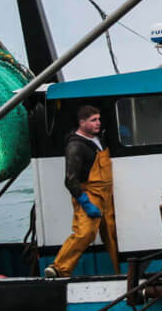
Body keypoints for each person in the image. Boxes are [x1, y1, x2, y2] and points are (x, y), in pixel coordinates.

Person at [47, 104, 118, 278]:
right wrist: (85, 203)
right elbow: (70, 180)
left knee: (112, 235)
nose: (98, 123)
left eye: (99, 119)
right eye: (93, 120)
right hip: (91, 195)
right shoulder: (75, 146)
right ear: (82, 123)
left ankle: (121, 271)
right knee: (84, 233)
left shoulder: (98, 139)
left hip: (106, 195)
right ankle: (58, 268)